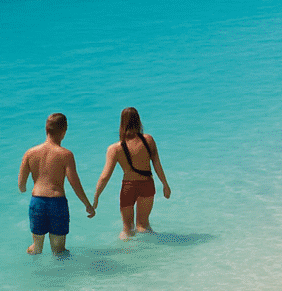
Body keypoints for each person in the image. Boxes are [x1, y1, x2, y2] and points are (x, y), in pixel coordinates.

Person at [19, 113, 95, 254]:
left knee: (36, 248)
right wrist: (87, 204)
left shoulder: (30, 153)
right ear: (64, 131)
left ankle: (35, 273)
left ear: (46, 129)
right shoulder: (66, 155)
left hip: (37, 202)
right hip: (57, 203)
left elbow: (21, 186)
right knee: (59, 251)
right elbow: (75, 184)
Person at [92, 106, 172, 240]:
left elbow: (105, 176)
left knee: (127, 229)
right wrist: (165, 184)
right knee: (144, 226)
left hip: (128, 187)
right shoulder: (149, 140)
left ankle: (126, 254)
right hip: (147, 185)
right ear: (139, 121)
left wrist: (96, 196)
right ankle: (151, 252)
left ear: (122, 123)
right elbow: (157, 164)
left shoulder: (115, 148)